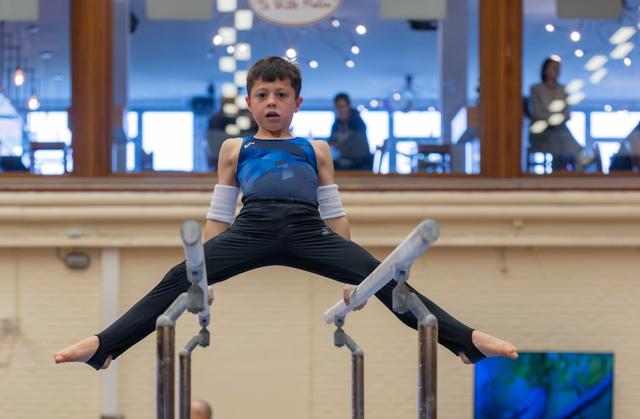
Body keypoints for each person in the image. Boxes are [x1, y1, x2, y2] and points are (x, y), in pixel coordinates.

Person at [54, 56, 517, 372]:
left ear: (297, 102)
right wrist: (204, 275)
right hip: (251, 228)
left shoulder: (315, 148)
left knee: (389, 280)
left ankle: (464, 342)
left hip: (309, 231)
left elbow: (335, 215)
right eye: (262, 95)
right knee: (177, 277)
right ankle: (104, 347)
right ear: (250, 102)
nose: (271, 102)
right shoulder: (236, 148)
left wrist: (351, 269)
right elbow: (219, 216)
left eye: (281, 94)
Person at [528, 58, 583, 172]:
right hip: (541, 131)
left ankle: (568, 169)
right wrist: (556, 117)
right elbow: (537, 113)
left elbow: (567, 114)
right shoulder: (536, 89)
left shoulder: (563, 90)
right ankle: (567, 167)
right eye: (554, 68)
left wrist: (552, 116)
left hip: (560, 131)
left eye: (558, 68)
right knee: (559, 137)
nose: (557, 71)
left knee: (560, 135)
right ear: (545, 70)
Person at [328, 93, 373, 171]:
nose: (340, 110)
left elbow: (356, 148)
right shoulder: (336, 124)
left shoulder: (358, 122)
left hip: (361, 164)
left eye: (342, 107)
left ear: (349, 106)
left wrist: (338, 144)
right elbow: (331, 143)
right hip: (345, 162)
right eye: (337, 107)